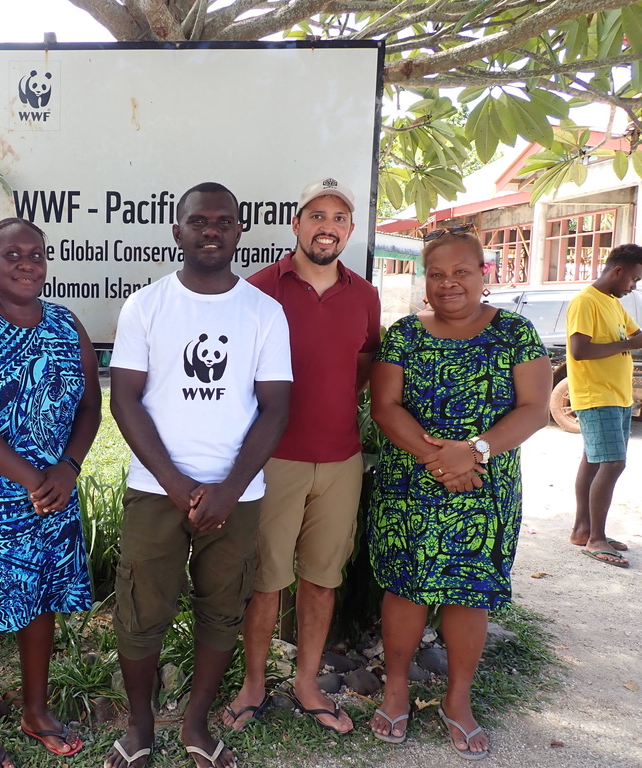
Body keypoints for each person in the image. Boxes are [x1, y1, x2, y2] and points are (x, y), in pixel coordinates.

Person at [106, 182, 292, 768]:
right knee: (140, 610)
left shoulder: (264, 312)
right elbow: (125, 401)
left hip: (237, 495)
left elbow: (276, 407)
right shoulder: (145, 306)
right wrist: (177, 485)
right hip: (154, 490)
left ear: (238, 232)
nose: (210, 230)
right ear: (177, 231)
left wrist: (228, 489)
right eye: (198, 221)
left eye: (223, 221)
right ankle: (139, 728)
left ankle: (195, 724)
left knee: (222, 610)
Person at [367, 227, 551, 758]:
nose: (448, 284)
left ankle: (458, 700)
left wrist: (472, 453)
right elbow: (385, 407)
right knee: (405, 587)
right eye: (437, 274)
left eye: (461, 272)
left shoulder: (515, 332)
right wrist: (439, 458)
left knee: (470, 593)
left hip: (485, 485)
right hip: (412, 488)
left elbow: (535, 408)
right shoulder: (404, 334)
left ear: (483, 275)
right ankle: (396, 690)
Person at [0, 217, 101, 768]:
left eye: (36, 254)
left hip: (53, 495)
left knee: (41, 604)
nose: (27, 263)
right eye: (12, 255)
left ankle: (36, 710)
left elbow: (88, 407)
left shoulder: (65, 323)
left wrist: (69, 467)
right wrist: (35, 478)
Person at [223, 177, 380, 734]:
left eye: (339, 218)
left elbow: (364, 364)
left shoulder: (363, 294)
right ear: (296, 224)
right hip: (275, 459)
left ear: (350, 231)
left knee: (321, 579)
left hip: (340, 461)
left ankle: (308, 683)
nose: (327, 227)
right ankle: (253, 684)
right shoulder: (261, 288)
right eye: (317, 215)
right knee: (266, 580)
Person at [567, 243, 642, 568]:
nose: (634, 287)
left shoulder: (613, 303)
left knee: (595, 461)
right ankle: (596, 538)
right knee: (613, 463)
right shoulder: (587, 301)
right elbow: (579, 350)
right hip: (598, 395)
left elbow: (637, 335)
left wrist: (631, 340)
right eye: (634, 280)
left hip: (617, 395)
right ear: (618, 271)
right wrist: (627, 344)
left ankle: (583, 530)